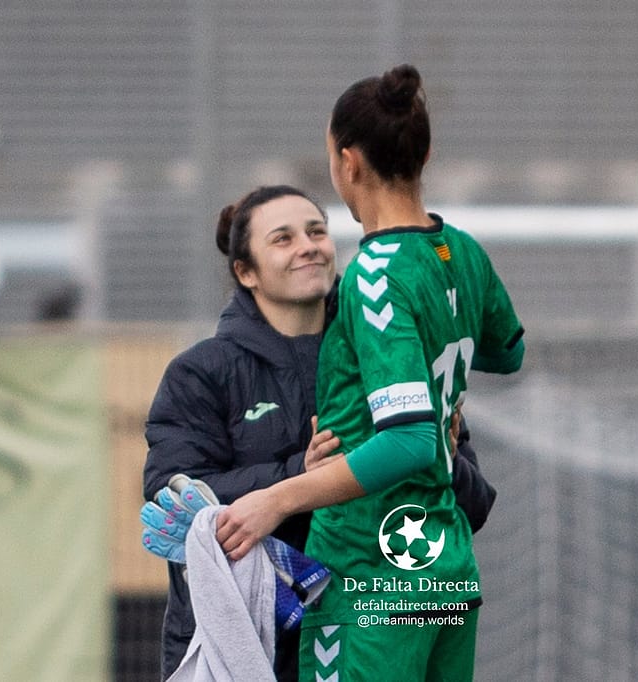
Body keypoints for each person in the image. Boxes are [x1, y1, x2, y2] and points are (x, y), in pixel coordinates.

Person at [215, 64, 524, 681]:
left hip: (371, 576)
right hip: (444, 569)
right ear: (426, 152)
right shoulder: (459, 250)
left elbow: (408, 440)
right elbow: (507, 351)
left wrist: (274, 500)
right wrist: (442, 385)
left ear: (347, 162)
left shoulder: (374, 272)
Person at [142, 184, 498, 681]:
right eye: (283, 239)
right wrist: (297, 476)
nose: (308, 246)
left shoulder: (390, 348)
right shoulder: (201, 373)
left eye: (316, 231)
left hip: (370, 633)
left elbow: (474, 506)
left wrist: (436, 450)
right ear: (246, 273)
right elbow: (171, 498)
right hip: (251, 647)